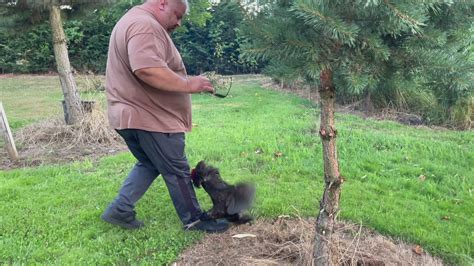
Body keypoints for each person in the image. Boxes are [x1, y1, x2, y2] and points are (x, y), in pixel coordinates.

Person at [101, 0, 229, 233]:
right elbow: (147, 69)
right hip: (151, 117)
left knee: (149, 163)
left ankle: (119, 210)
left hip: (129, 115)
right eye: (177, 15)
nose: (178, 23)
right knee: (176, 170)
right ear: (162, 3)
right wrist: (189, 84)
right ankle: (194, 219)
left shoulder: (133, 20)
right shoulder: (144, 25)